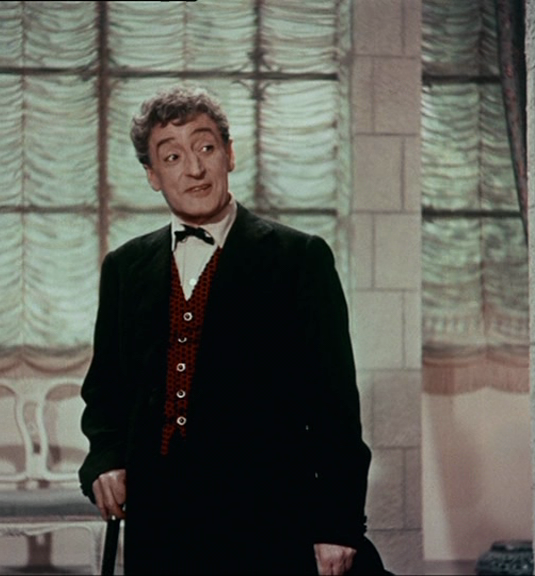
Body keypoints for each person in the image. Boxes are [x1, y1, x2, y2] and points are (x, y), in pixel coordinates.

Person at [78, 84, 377, 575]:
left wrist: (337, 523)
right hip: (159, 520)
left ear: (229, 155)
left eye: (206, 147)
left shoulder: (298, 259)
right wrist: (105, 460)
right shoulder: (125, 267)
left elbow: (334, 407)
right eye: (172, 156)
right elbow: (105, 392)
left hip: (265, 515)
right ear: (152, 175)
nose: (194, 168)